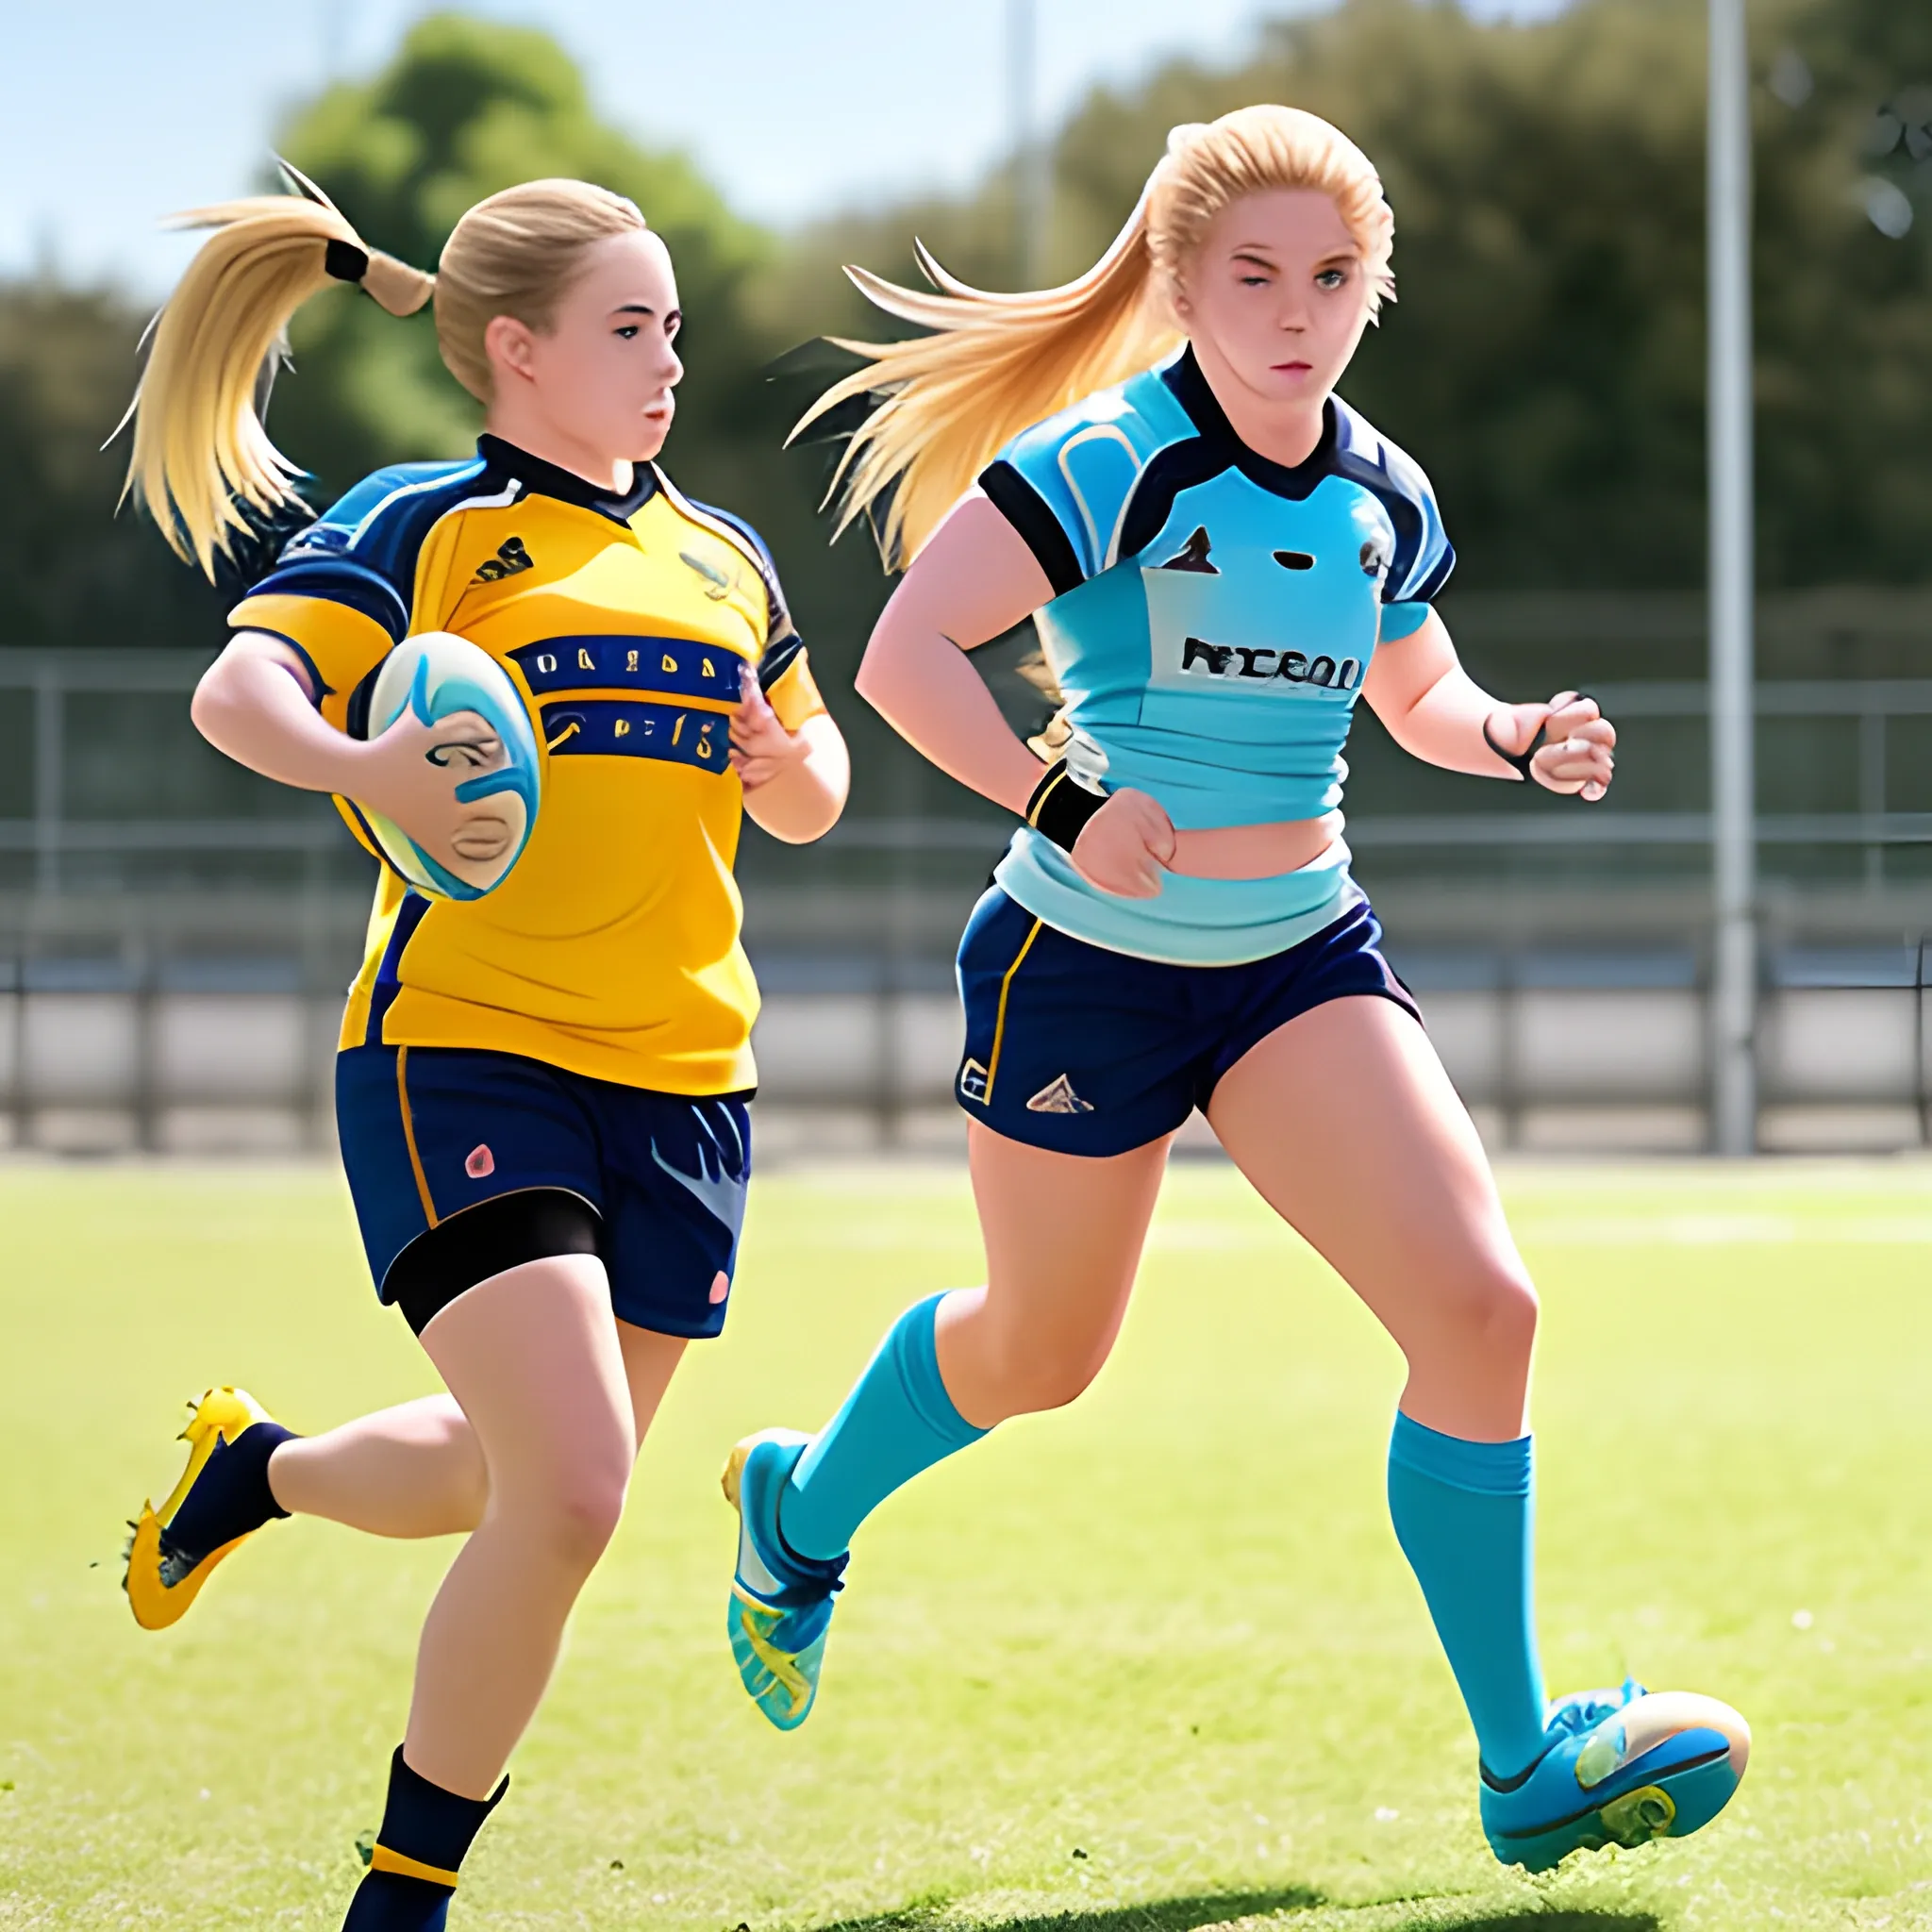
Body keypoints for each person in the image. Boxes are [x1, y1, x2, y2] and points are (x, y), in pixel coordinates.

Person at [720, 106, 1748, 1874]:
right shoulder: (1113, 456)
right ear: (1184, 284)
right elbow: (902, 655)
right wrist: (1062, 801)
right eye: (1255, 274)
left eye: (1334, 277)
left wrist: (1511, 737)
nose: (1297, 309)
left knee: (1483, 1315)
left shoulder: (1385, 491)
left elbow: (1415, 697)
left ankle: (1521, 1763)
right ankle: (799, 1510)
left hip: (1296, 958)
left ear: (1375, 291)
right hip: (1084, 965)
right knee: (1042, 1356)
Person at [118, 171, 849, 1930]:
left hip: (687, 1086)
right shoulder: (430, 523)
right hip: (464, 1052)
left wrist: (777, 762)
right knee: (578, 1493)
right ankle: (404, 1893)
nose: (666, 357)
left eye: (670, 325)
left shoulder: (724, 557)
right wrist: (363, 767)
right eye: (627, 327)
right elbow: (243, 695)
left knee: (499, 1477)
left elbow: (819, 796)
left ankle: (258, 1469)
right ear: (515, 352)